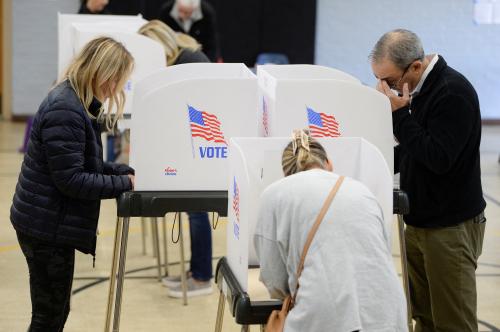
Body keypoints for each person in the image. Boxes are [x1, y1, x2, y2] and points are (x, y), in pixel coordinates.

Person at [10, 37, 135, 331]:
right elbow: (72, 180)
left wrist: (123, 172)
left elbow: (81, 163)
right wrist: (123, 184)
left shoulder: (76, 101)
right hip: (45, 228)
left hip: (46, 222)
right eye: (118, 80)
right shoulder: (66, 109)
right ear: (105, 74)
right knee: (49, 315)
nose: (117, 89)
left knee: (54, 311)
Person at [370, 29, 486, 332]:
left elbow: (437, 157)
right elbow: (411, 151)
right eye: (381, 82)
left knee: (453, 323)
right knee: (424, 319)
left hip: (450, 229)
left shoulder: (452, 93)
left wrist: (399, 116)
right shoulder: (416, 91)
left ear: (416, 67)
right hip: (419, 223)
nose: (387, 89)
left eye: (390, 81)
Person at [254, 130, 407, 332]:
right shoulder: (362, 191)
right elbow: (380, 254)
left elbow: (274, 280)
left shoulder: (274, 194)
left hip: (325, 316)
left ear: (286, 172)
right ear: (329, 163)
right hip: (388, 310)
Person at [139, 20, 212, 298]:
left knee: (197, 209)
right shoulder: (183, 56)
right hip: (194, 144)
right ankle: (196, 271)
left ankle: (202, 277)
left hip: (202, 145)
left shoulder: (187, 60)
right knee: (194, 208)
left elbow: (200, 107)